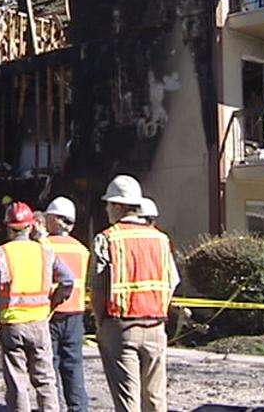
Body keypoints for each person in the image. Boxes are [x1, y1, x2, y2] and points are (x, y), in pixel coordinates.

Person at [92, 175, 180, 412]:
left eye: (109, 204)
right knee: (155, 398)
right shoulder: (161, 240)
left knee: (127, 402)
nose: (107, 210)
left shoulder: (107, 238)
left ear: (119, 206)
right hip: (155, 328)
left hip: (120, 327)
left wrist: (101, 322)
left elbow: (99, 287)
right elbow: (173, 281)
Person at [0, 201, 74, 412]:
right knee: (46, 380)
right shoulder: (45, 252)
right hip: (40, 323)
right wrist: (52, 303)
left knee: (17, 382)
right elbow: (68, 280)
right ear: (31, 226)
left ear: (8, 227)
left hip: (13, 324)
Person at [43, 197, 90, 412]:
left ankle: (54, 407)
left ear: (55, 219)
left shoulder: (44, 247)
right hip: (75, 314)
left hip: (49, 313)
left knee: (49, 365)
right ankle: (78, 407)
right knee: (73, 364)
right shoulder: (82, 249)